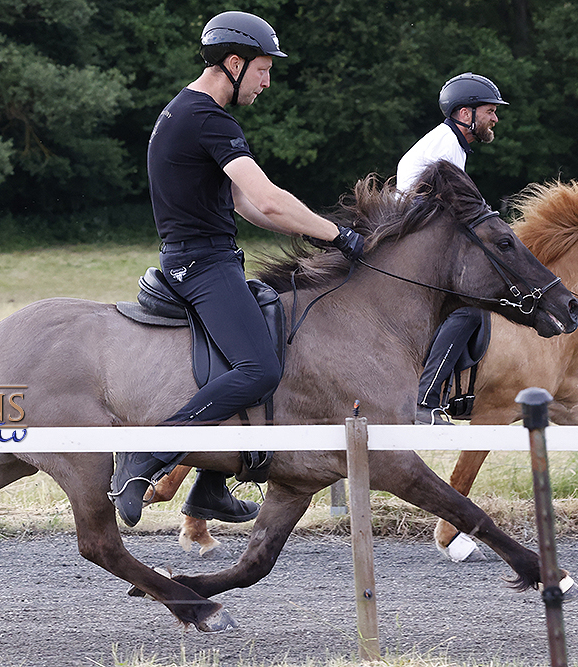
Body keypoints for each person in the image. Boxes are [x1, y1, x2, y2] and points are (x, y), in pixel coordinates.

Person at [109, 10, 366, 528]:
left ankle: (209, 488)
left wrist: (310, 231)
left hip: (208, 258)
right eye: (264, 69)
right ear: (234, 63)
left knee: (274, 332)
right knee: (260, 369)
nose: (267, 81)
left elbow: (247, 205)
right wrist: (338, 235)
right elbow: (269, 201)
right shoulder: (209, 119)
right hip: (201, 265)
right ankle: (146, 458)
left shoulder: (185, 112)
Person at [396, 72, 508, 425]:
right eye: (490, 111)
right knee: (469, 310)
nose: (495, 119)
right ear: (465, 114)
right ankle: (426, 398)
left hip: (418, 245)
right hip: (413, 251)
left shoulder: (450, 145)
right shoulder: (445, 150)